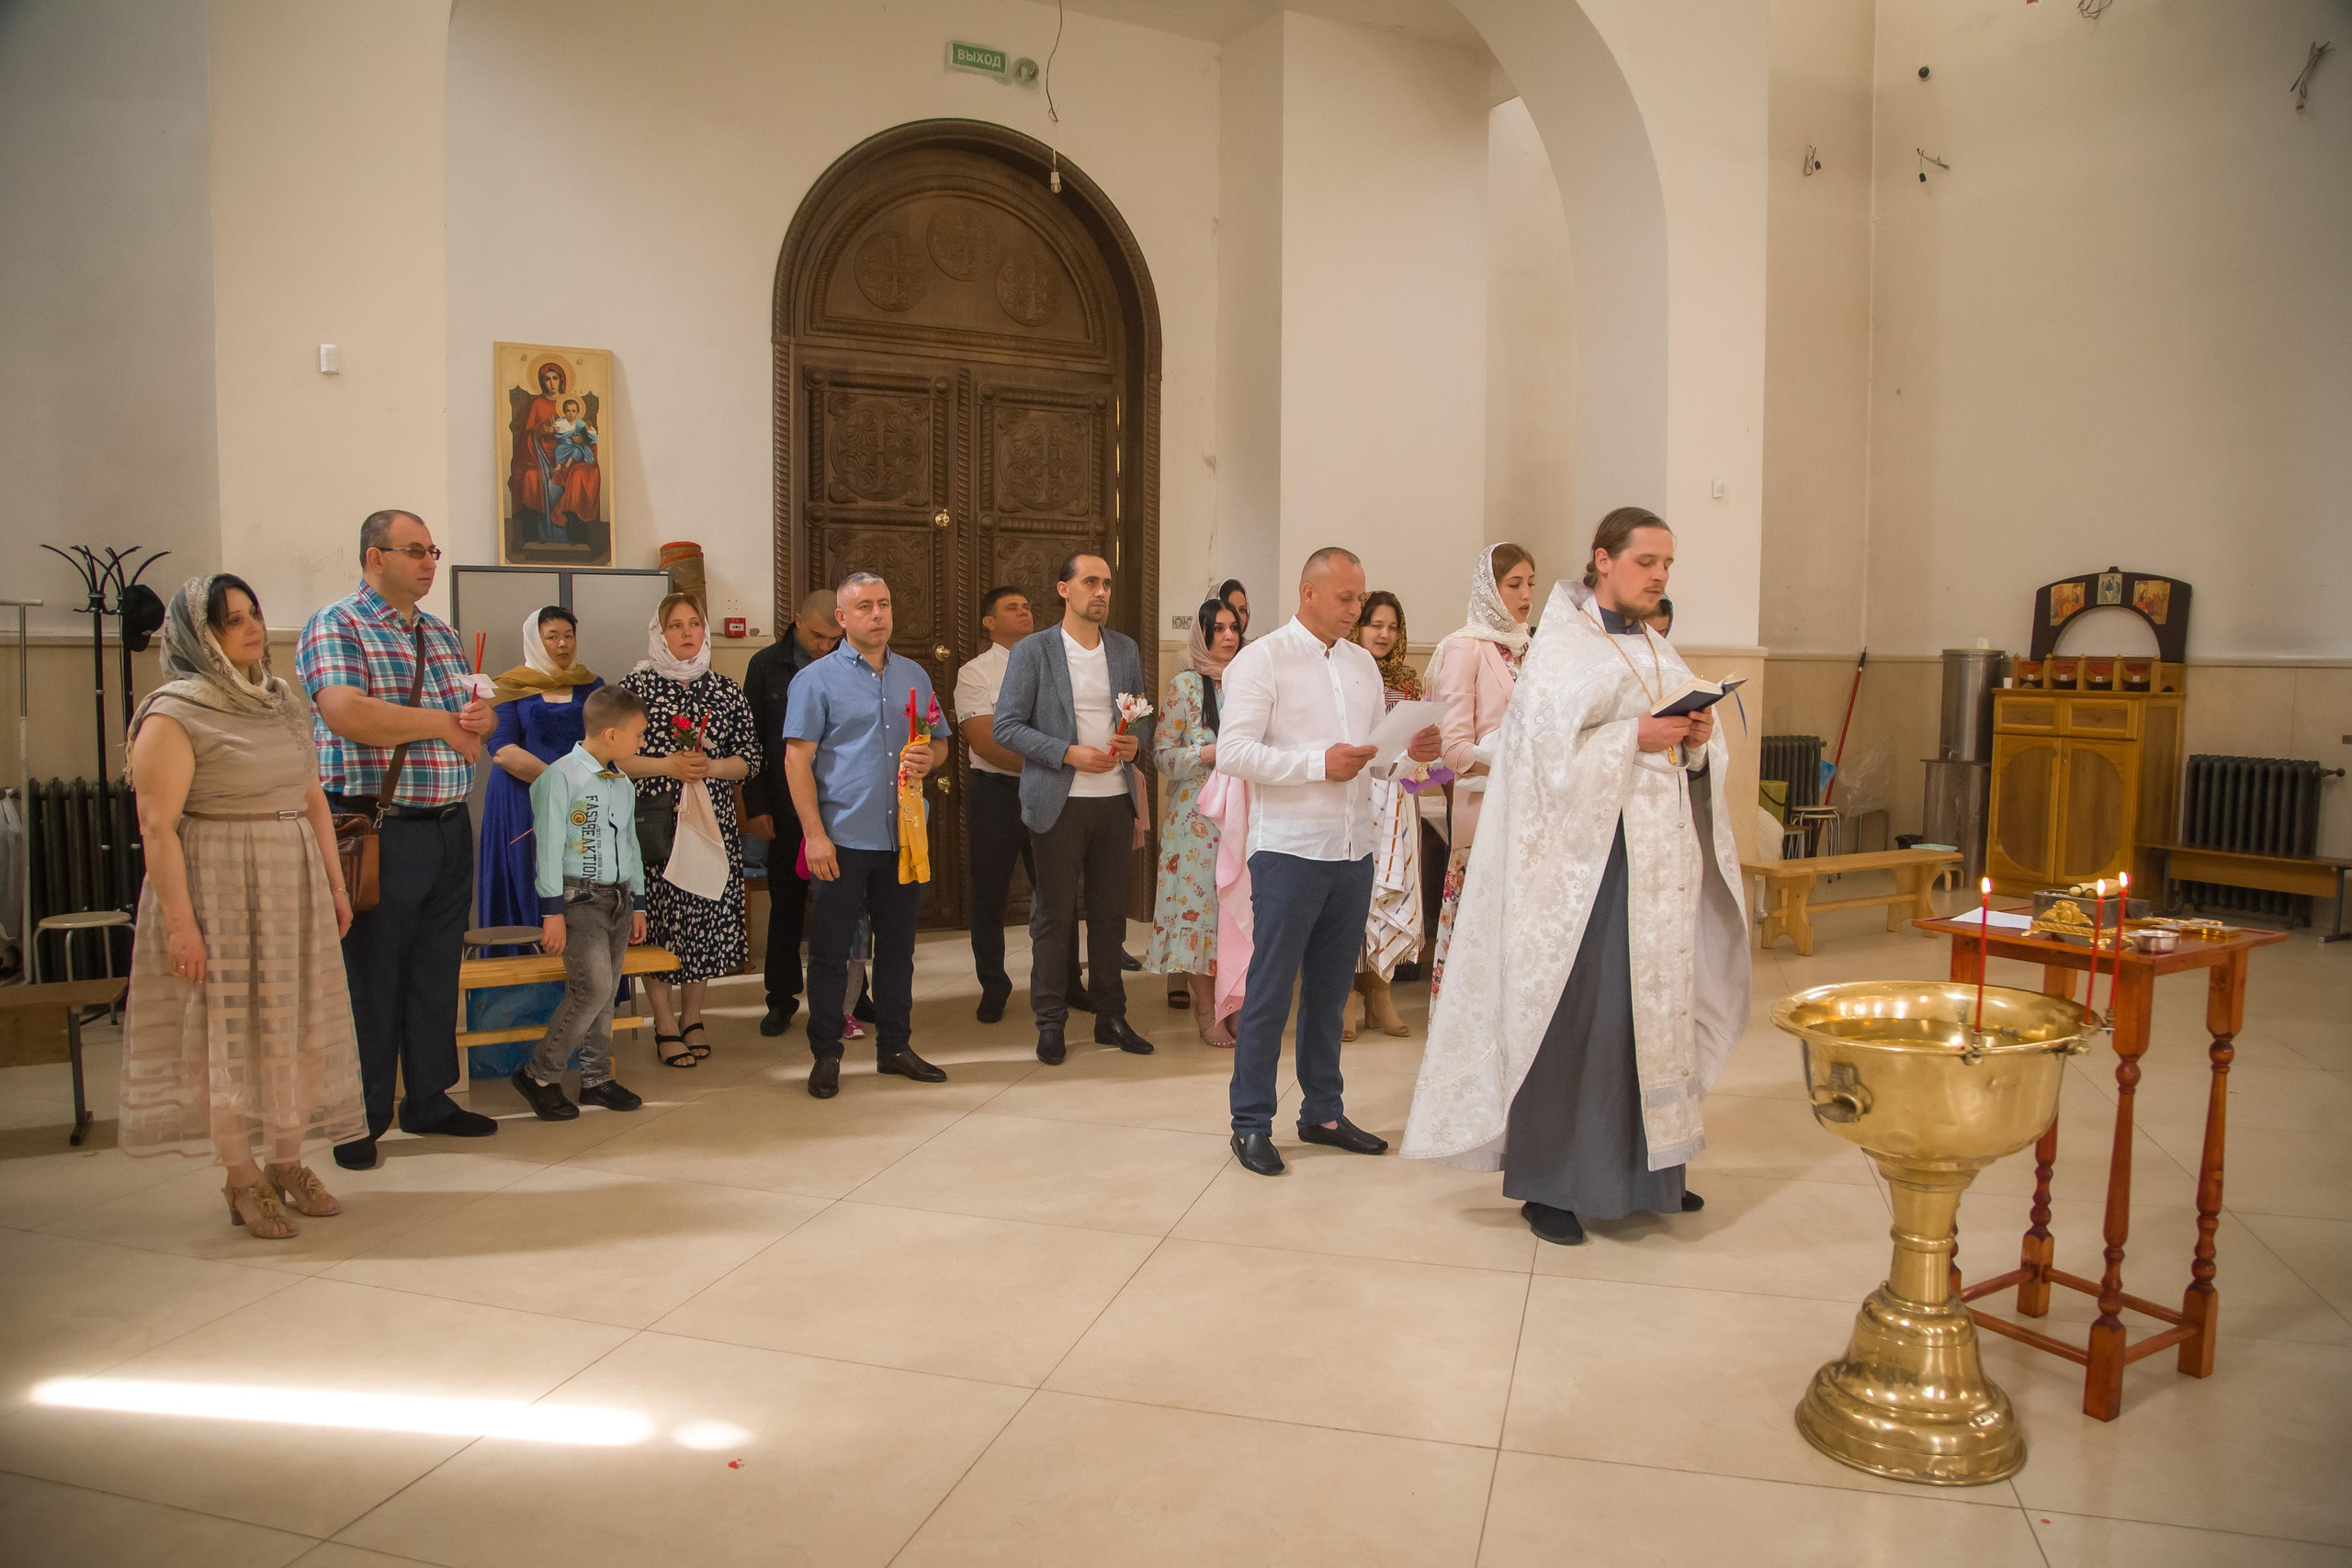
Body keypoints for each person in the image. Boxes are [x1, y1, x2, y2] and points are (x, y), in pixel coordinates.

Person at [1402, 508, 1748, 1246]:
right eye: (1647, 561)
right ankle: (1551, 1183)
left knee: (1647, 1015)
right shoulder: (1562, 647)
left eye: (1668, 564)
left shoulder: (1658, 645)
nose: (1659, 575)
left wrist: (1695, 738)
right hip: (1580, 872)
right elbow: (1536, 760)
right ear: (1603, 559)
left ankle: (1651, 1173)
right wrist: (1636, 736)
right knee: (1577, 1015)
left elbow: (1678, 752)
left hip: (1653, 866)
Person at [121, 575, 368, 1237]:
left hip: (293, 880)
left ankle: (287, 1159)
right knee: (225, 1038)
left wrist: (335, 884)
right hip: (218, 881)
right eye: (233, 621)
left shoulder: (281, 698)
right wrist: (180, 923)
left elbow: (312, 794)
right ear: (201, 636)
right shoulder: (174, 710)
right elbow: (157, 825)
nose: (253, 627)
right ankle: (242, 1175)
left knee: (303, 1028)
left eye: (254, 613)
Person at [1214, 547, 1442, 1176]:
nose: (1356, 610)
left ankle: (1323, 1111)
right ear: (1308, 592)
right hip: (1289, 847)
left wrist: (1411, 750)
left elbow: (1378, 758)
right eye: (1344, 598)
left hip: (1353, 847)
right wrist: (1317, 763)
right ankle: (1251, 1121)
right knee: (1270, 990)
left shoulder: (1363, 663)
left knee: (1330, 989)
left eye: (1359, 598)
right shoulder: (1263, 659)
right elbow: (1233, 751)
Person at [300, 510, 500, 1169]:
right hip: (375, 826)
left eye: (432, 550)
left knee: (436, 968)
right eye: (413, 550)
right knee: (371, 975)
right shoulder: (338, 623)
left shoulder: (439, 633)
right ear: (373, 556)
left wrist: (478, 716)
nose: (428, 561)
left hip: (446, 823)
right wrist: (444, 723)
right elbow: (344, 711)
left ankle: (430, 1099)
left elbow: (469, 718)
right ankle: (359, 1114)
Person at [782, 572, 954, 1099]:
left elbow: (939, 743)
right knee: (832, 950)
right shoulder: (815, 680)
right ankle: (826, 1054)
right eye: (863, 607)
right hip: (843, 837)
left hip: (904, 836)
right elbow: (797, 760)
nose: (876, 614)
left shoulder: (914, 676)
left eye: (883, 604)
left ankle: (896, 1047)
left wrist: (932, 757)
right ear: (842, 618)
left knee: (899, 950)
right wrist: (814, 835)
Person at [989, 554, 1157, 1066]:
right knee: (1054, 917)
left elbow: (1142, 718)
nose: (1101, 591)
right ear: (1064, 589)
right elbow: (1006, 726)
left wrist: (1135, 744)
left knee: (1109, 917)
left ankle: (1111, 1015)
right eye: (1090, 582)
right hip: (1058, 803)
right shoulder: (1035, 651)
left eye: (1107, 583)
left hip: (1114, 801)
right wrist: (1067, 753)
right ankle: (1050, 1021)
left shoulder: (1124, 649)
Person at [616, 594, 760, 1067]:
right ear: (659, 634)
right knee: (659, 920)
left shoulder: (724, 689)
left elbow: (749, 760)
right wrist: (669, 764)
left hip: (712, 822)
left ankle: (694, 1014)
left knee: (703, 917)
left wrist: (711, 765)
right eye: (674, 625)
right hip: (656, 822)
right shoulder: (634, 687)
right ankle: (663, 1019)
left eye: (694, 623)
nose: (686, 633)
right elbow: (613, 757)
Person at [510, 684, 651, 1121]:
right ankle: (539, 1074)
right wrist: (552, 911)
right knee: (591, 988)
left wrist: (640, 902)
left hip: (619, 899)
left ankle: (595, 1078)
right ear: (611, 735)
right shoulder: (561, 776)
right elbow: (548, 847)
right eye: (639, 734)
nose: (642, 742)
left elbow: (630, 842)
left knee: (608, 994)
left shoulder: (622, 781)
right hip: (579, 900)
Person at [1427, 543, 1537, 999]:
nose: (1526, 593)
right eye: (1514, 584)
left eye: (1531, 583)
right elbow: (1452, 750)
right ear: (1490, 589)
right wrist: (1509, 753)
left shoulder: (1534, 645)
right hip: (1486, 811)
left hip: (1533, 812)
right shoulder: (1463, 647)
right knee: (1480, 945)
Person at [741, 589, 843, 1035]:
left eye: (834, 638)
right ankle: (780, 998)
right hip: (785, 804)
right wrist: (757, 806)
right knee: (786, 903)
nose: (825, 646)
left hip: (839, 801)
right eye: (819, 636)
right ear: (797, 620)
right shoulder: (766, 665)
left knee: (845, 904)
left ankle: (853, 995)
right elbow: (754, 741)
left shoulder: (850, 663)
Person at [1145, 598, 1242, 1044]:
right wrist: (1206, 753)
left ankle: (1234, 1004)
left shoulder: (1249, 683)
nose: (1228, 636)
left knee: (1237, 916)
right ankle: (1207, 1011)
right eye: (1218, 628)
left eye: (1234, 628)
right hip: (1196, 822)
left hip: (1243, 817)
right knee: (1202, 915)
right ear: (1201, 635)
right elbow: (1161, 755)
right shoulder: (1184, 687)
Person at [478, 606, 602, 942]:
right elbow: (503, 750)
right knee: (525, 879)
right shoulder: (509, 686)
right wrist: (558, 781)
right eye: (552, 637)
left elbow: (604, 741)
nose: (563, 644)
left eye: (569, 636)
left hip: (579, 803)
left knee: (580, 886)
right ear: (535, 640)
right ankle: (521, 984)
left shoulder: (591, 685)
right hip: (521, 803)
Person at [1345, 590, 1424, 1040]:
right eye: (1376, 624)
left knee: (1392, 893)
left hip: (1398, 797)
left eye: (1393, 627)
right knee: (1359, 895)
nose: (1384, 634)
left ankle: (1380, 993)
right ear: (1360, 626)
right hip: (1358, 794)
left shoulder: (1409, 682)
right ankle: (1348, 997)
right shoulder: (1348, 674)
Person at [1216, 578, 1252, 644]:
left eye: (1242, 610)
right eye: (1231, 609)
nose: (1238, 616)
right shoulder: (1202, 651)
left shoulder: (1251, 652)